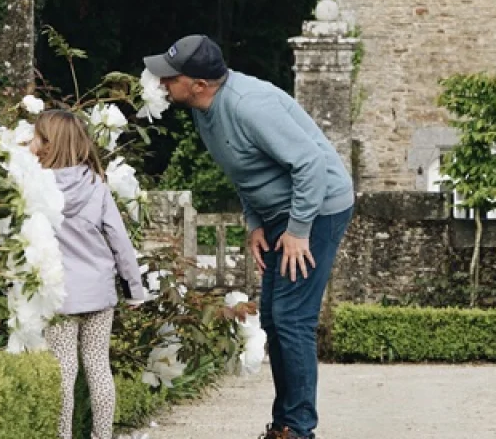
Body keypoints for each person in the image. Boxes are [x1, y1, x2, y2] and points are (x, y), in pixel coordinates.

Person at [145, 35, 354, 439]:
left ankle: (297, 430)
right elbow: (245, 169)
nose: (161, 83)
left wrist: (297, 231)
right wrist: (256, 222)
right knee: (276, 318)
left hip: (319, 208)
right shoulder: (204, 110)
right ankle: (285, 424)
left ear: (199, 85)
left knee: (293, 319)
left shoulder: (247, 106)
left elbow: (309, 163)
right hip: (280, 214)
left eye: (169, 77)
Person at [31, 108, 149, 439]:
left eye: (36, 137)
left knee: (64, 371)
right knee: (99, 366)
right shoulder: (97, 185)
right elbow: (119, 241)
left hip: (59, 297)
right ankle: (102, 436)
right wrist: (134, 289)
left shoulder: (35, 188)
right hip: (98, 295)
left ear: (48, 145)